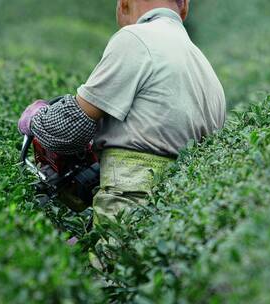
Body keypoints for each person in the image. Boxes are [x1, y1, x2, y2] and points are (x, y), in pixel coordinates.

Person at [17, 0, 226, 226]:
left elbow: (67, 131)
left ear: (124, 4)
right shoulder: (206, 68)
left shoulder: (135, 39)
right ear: (184, 6)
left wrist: (38, 119)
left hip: (129, 206)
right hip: (183, 211)